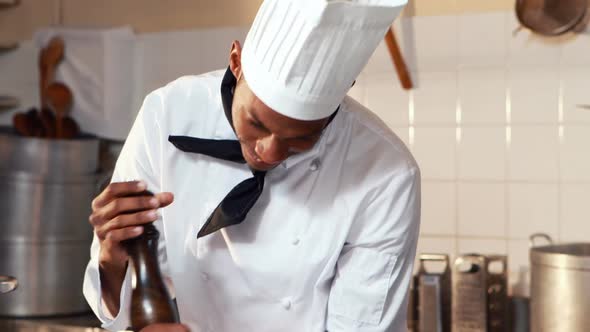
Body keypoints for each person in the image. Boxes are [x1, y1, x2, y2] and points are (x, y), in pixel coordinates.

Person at [83, 0, 420, 331]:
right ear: (236, 62)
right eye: (257, 124)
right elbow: (121, 309)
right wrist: (113, 258)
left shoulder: (386, 172)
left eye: (300, 139)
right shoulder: (167, 112)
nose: (269, 153)